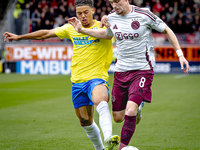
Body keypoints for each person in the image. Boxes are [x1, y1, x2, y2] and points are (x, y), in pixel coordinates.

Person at [68, 0, 190, 149]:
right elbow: (106, 34)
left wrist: (180, 54)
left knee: (130, 109)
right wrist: (81, 30)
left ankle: (122, 146)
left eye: (117, 1)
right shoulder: (111, 17)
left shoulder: (144, 14)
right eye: (111, 2)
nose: (114, 5)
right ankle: (138, 107)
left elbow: (167, 30)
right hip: (121, 71)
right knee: (118, 117)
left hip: (142, 69)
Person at [3, 0, 120, 150]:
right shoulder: (71, 28)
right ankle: (100, 149)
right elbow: (46, 33)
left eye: (86, 12)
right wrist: (20, 37)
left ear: (92, 10)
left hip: (96, 78)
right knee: (85, 121)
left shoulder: (103, 26)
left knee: (101, 100)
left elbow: (108, 35)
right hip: (77, 81)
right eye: (79, 13)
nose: (83, 16)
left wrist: (106, 18)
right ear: (75, 14)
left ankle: (108, 137)